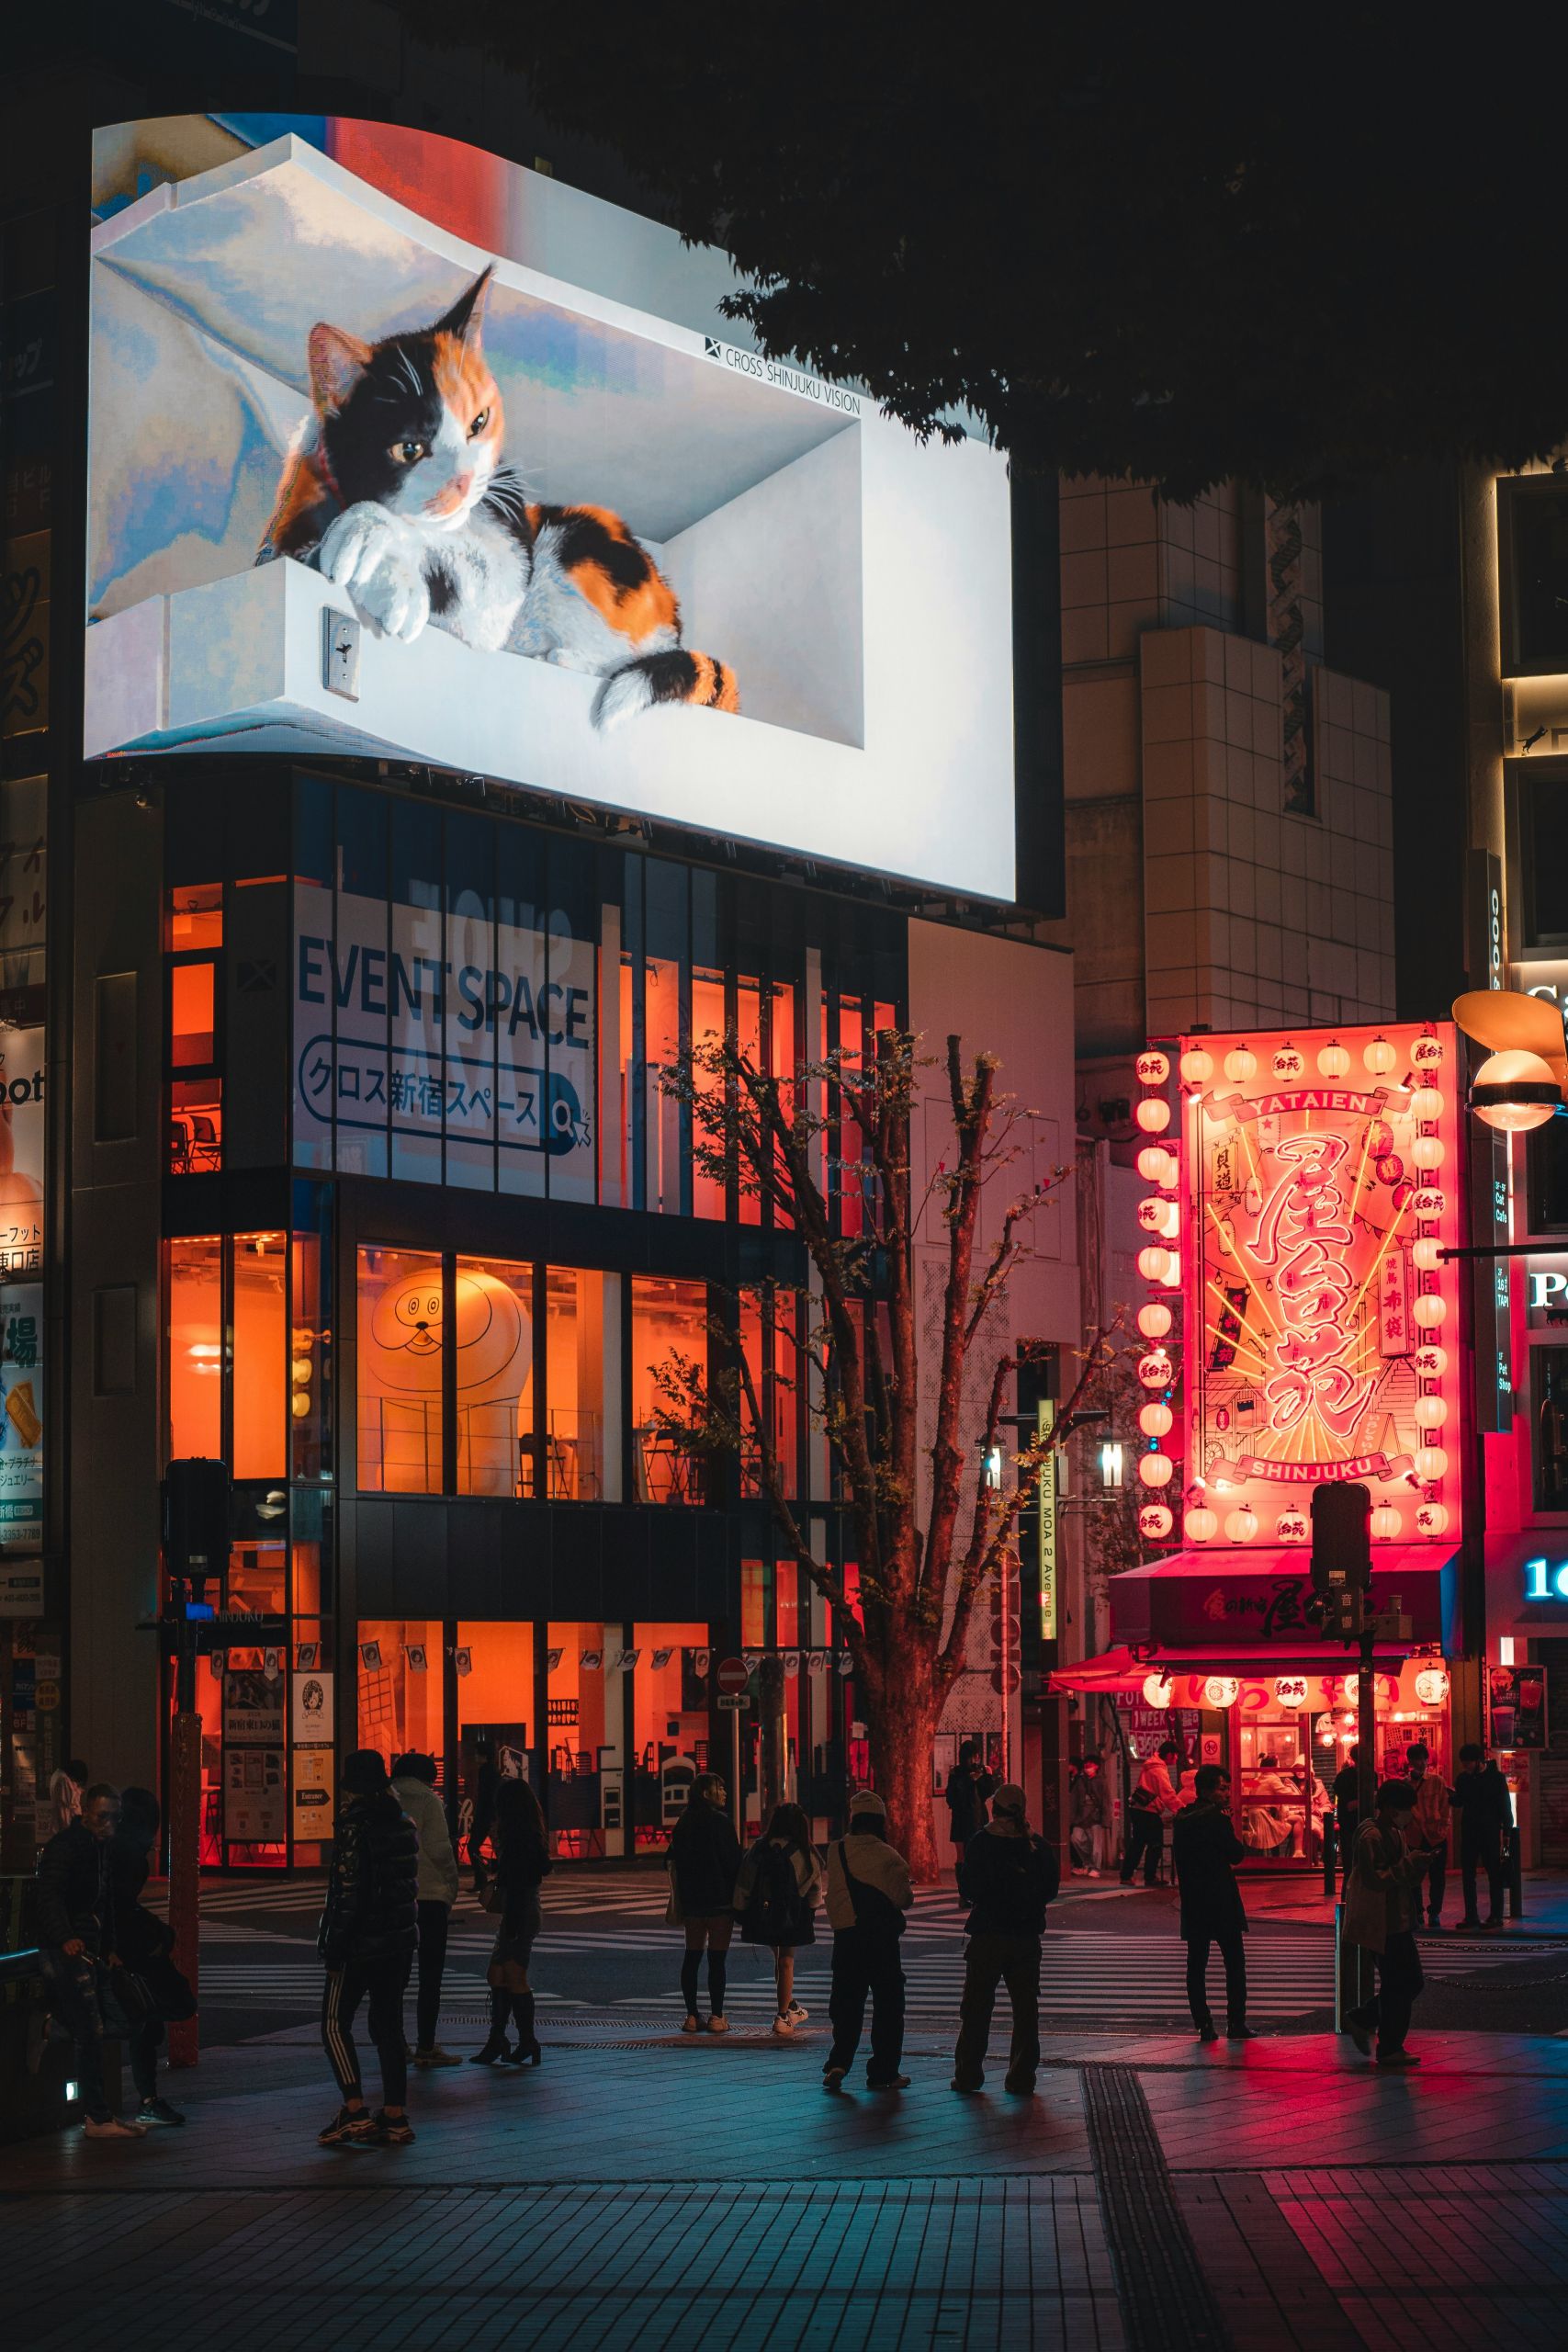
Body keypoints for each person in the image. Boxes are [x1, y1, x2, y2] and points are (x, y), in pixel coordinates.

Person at [317, 1748, 420, 2146]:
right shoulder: (401, 1823)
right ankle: (395, 2115)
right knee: (388, 2027)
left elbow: (348, 1896)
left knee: (332, 2023)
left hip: (359, 1944)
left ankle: (355, 2109)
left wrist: (334, 1949)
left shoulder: (353, 1827)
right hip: (397, 1944)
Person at [37, 1781, 143, 2140]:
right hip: (70, 1949)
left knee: (109, 2023)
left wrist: (109, 1946)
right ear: (84, 1811)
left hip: (88, 1948)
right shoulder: (67, 1848)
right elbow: (50, 1894)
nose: (109, 1824)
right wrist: (64, 1937)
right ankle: (97, 2116)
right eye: (102, 1817)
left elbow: (105, 1902)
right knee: (93, 2030)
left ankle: (54, 2029)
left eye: (115, 1818)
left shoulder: (100, 1849)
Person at [951, 1781, 1058, 2094]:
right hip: (1025, 1937)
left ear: (994, 1809)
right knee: (1025, 2010)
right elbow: (1049, 1890)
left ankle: (969, 2074)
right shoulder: (1037, 1846)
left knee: (976, 2009)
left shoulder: (982, 1842)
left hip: (987, 1935)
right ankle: (1021, 2076)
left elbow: (968, 1887)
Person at [108, 1785, 194, 2127]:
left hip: (115, 1946)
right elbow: (121, 1906)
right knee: (146, 2018)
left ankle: (133, 2100)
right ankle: (144, 2099)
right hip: (126, 1950)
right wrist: (156, 1933)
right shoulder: (129, 1856)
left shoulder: (114, 1848)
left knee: (139, 2019)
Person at [823, 1790, 914, 2090]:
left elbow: (835, 1894)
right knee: (888, 2005)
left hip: (847, 1938)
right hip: (881, 1941)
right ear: (880, 1821)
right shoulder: (889, 1856)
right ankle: (883, 2071)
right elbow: (903, 1898)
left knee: (847, 2003)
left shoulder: (836, 1851)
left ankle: (838, 2062)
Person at [1343, 1779, 1433, 2065]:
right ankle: (1389, 2046)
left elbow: (1401, 1876)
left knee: (1408, 1982)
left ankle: (1364, 2019)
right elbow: (1375, 1880)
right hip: (1381, 1923)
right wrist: (1410, 1865)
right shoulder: (1371, 1836)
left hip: (1398, 1920)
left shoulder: (1394, 1832)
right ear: (1391, 1808)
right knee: (1401, 1983)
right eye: (1406, 1808)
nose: (1409, 1814)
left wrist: (1417, 1866)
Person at [472, 1775, 551, 2067]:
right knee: (497, 1974)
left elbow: (521, 1879)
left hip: (519, 1913)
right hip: (519, 1912)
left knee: (513, 1976)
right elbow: (542, 1867)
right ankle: (503, 2039)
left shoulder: (519, 1838)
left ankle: (523, 2040)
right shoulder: (528, 1834)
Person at [391, 1750, 461, 2067]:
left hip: (395, 1896)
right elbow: (440, 1849)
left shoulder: (387, 1799)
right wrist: (452, 1885)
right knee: (430, 1975)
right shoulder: (429, 1801)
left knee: (395, 1976)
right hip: (431, 1896)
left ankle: (396, 2043)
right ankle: (427, 2044)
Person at [1173, 1764, 1250, 2042]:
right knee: (1234, 1962)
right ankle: (1236, 2022)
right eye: (1222, 1788)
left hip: (1194, 1900)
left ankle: (1204, 2024)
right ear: (1206, 1789)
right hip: (1220, 1899)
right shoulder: (1216, 1818)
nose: (1227, 1793)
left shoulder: (1182, 1818)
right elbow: (1236, 1854)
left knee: (1196, 1964)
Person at [734, 1801, 821, 2035]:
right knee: (787, 1961)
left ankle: (789, 2006)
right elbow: (815, 1889)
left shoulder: (760, 1848)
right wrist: (810, 1911)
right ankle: (783, 2016)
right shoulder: (805, 1850)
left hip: (763, 1913)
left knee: (779, 1960)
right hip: (793, 1914)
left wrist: (740, 1910)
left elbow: (744, 1881)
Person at [668, 1771, 742, 2035]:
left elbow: (672, 1858)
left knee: (692, 1956)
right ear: (706, 1793)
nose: (724, 1792)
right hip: (720, 1901)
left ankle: (691, 2015)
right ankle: (717, 2016)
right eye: (719, 1788)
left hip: (693, 1902)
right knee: (717, 1960)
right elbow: (734, 1862)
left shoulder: (684, 1822)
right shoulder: (721, 1823)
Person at [1452, 1743, 1513, 1930]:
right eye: (1464, 1763)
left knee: (1494, 1874)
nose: (1465, 1767)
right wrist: (1450, 1797)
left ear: (1478, 1760)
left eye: (1468, 1763)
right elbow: (1460, 1802)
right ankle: (1471, 1916)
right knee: (1467, 1875)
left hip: (1490, 1832)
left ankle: (1496, 1916)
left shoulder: (1496, 1778)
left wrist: (1507, 1831)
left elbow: (1504, 1805)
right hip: (1469, 1831)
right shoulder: (1463, 1779)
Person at [1404, 1743, 1450, 1930]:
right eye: (1415, 1759)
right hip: (1414, 1837)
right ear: (1410, 1761)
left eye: (1421, 1759)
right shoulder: (1405, 1784)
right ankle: (1417, 1912)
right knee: (1414, 1878)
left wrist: (1442, 1829)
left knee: (1437, 1877)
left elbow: (1445, 1808)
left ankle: (1434, 1913)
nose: (1419, 1763)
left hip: (1435, 1836)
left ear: (1426, 1760)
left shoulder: (1437, 1781)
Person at [1120, 1743, 1179, 1886]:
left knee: (1138, 1843)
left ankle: (1127, 1875)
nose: (1176, 1758)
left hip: (1139, 1809)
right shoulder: (1158, 1770)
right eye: (1176, 1755)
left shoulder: (1151, 1766)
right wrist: (1181, 1809)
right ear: (1170, 1754)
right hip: (1148, 1811)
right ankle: (1150, 1877)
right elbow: (1168, 1794)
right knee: (1155, 1844)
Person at [944, 1742, 997, 1854]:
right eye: (973, 1756)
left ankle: (965, 1871)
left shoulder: (958, 1772)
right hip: (973, 1815)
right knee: (972, 1854)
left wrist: (980, 1778)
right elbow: (951, 1797)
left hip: (967, 1816)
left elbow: (989, 1791)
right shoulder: (957, 1772)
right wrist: (973, 1779)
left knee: (966, 1855)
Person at [1240, 1755, 1294, 1857]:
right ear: (1273, 1767)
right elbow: (1286, 1793)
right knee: (1275, 1834)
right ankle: (1275, 1861)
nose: (1279, 1767)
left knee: (1261, 1841)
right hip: (1263, 1814)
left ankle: (1261, 1862)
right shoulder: (1273, 1779)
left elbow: (1244, 1788)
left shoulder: (1256, 1779)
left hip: (1252, 1815)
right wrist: (1290, 1788)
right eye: (1278, 1765)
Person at [1069, 1756, 1111, 1877]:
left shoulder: (1101, 1781)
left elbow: (1105, 1801)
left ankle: (1095, 1868)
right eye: (1086, 1765)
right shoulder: (1080, 1781)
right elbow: (1074, 1800)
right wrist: (1072, 1818)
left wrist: (1106, 1819)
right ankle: (1088, 1863)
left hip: (1095, 1817)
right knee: (1076, 1839)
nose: (1088, 1768)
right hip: (1081, 1817)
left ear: (1096, 1767)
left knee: (1096, 1844)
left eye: (1091, 1765)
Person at [468, 1740, 499, 1889]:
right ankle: (493, 1876)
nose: (474, 1757)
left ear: (483, 1755)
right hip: (491, 1816)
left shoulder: (486, 1772)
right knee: (498, 1847)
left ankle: (481, 1878)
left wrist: (479, 1816)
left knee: (473, 1847)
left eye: (477, 1753)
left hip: (486, 1816)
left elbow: (484, 1797)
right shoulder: (492, 1771)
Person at [1332, 1744, 1362, 1881]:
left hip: (1353, 1825)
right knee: (1351, 1867)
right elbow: (1347, 1805)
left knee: (1351, 1868)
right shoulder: (1344, 1777)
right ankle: (1349, 1899)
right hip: (1351, 1825)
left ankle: (1349, 1899)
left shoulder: (1371, 1775)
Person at [49, 1757, 87, 1837]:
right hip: (66, 1820)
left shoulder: (57, 1774)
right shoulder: (63, 1779)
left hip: (59, 1819)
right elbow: (71, 1803)